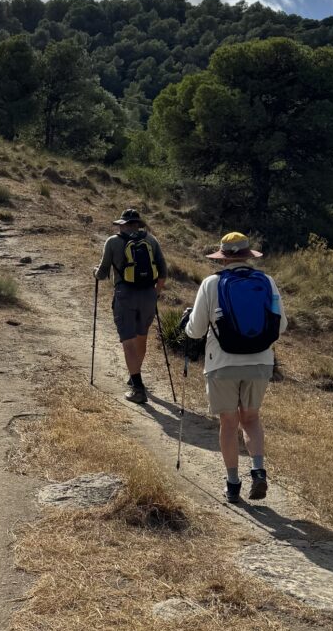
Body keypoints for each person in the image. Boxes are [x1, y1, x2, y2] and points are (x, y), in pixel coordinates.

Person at [182, 231, 287, 503]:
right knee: (251, 419)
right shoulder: (267, 281)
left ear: (223, 258)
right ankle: (258, 470)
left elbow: (195, 331)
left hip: (222, 363)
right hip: (260, 362)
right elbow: (281, 326)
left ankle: (232, 484)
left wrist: (186, 323)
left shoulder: (211, 283)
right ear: (247, 255)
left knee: (228, 423)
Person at [94, 208, 168, 404]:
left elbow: (102, 273)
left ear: (123, 225)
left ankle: (138, 387)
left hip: (125, 295)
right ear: (138, 224)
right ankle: (135, 375)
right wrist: (155, 293)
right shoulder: (151, 240)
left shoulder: (113, 241)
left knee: (128, 341)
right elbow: (163, 272)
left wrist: (95, 272)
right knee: (141, 336)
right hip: (148, 295)